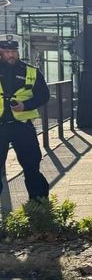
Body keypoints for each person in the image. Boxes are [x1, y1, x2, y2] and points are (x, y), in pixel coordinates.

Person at [0, 34, 50, 204]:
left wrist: (26, 105)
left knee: (31, 165)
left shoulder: (31, 71)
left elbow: (44, 95)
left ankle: (39, 203)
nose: (10, 55)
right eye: (6, 51)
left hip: (22, 126)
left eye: (13, 51)